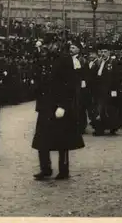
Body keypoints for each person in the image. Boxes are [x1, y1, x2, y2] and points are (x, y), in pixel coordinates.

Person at [32, 41, 85, 180]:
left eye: (52, 44)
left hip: (58, 106)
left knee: (63, 141)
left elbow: (70, 85)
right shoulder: (43, 59)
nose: (49, 47)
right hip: (45, 106)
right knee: (42, 140)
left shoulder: (65, 60)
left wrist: (63, 105)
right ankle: (45, 168)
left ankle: (64, 169)